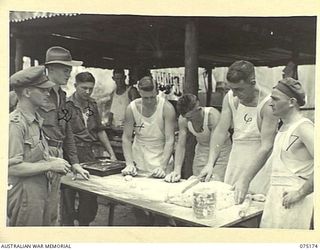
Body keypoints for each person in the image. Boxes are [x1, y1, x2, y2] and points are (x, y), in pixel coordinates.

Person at [198, 60, 279, 204]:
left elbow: (267, 146)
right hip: (237, 159)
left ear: (252, 82)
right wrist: (210, 163)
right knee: (232, 204)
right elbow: (220, 132)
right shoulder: (230, 98)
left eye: (239, 89)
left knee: (256, 206)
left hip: (261, 162)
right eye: (232, 89)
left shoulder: (268, 104)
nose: (234, 94)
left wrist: (246, 178)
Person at [8, 66, 72, 226]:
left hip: (41, 192)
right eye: (42, 90)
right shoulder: (15, 124)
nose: (47, 93)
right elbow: (10, 168)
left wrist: (52, 160)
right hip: (25, 197)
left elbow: (34, 156)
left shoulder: (35, 119)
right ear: (27, 92)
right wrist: (50, 164)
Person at [38, 46, 90, 225]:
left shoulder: (62, 96)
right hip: (41, 156)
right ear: (50, 69)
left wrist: (75, 162)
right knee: (39, 210)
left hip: (58, 155)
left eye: (70, 70)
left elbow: (67, 132)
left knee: (52, 210)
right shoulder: (38, 94)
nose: (69, 73)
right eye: (65, 69)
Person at [62, 72, 117, 226]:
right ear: (75, 86)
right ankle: (67, 229)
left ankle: (84, 227)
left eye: (90, 89)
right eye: (83, 88)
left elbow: (99, 130)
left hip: (89, 154)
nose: (87, 92)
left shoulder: (92, 105)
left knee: (89, 198)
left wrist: (111, 153)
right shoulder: (66, 105)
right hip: (69, 155)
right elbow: (64, 135)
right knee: (67, 196)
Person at [260, 78, 314, 229]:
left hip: (296, 201)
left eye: (275, 99)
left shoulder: (304, 128)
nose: (271, 103)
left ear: (291, 102)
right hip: (276, 199)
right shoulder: (284, 127)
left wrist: (300, 193)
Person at [165, 94, 232, 183]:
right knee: (198, 180)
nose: (189, 121)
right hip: (202, 149)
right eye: (187, 118)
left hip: (221, 148)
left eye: (191, 117)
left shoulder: (213, 116)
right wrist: (177, 169)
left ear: (198, 109)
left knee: (215, 180)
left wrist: (210, 164)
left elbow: (215, 142)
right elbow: (181, 145)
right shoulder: (183, 119)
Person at [122, 75, 176, 177]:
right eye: (145, 98)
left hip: (161, 157)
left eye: (152, 97)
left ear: (156, 92)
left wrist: (163, 166)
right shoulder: (131, 108)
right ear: (139, 92)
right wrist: (129, 163)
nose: (149, 101)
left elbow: (170, 140)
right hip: (139, 158)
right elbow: (126, 138)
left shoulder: (167, 108)